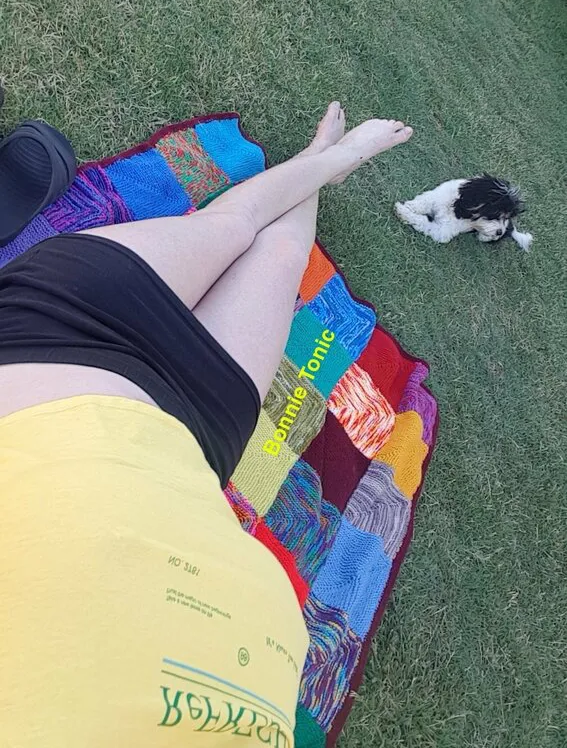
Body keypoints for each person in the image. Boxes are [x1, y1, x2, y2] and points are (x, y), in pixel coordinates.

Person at [0, 103, 412, 747]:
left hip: (54, 333)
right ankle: (322, 164)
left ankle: (326, 160)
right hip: (191, 434)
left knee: (231, 226)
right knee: (280, 255)